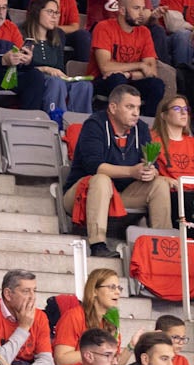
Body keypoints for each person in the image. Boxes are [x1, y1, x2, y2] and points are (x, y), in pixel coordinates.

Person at [64, 85, 171, 255]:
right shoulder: (94, 124)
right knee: (101, 179)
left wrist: (151, 172)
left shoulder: (141, 128)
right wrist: (132, 171)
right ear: (113, 108)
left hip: (122, 195)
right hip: (82, 195)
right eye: (130, 107)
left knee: (159, 184)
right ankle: (98, 244)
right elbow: (95, 167)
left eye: (138, 107)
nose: (136, 113)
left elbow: (154, 166)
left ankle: (165, 246)